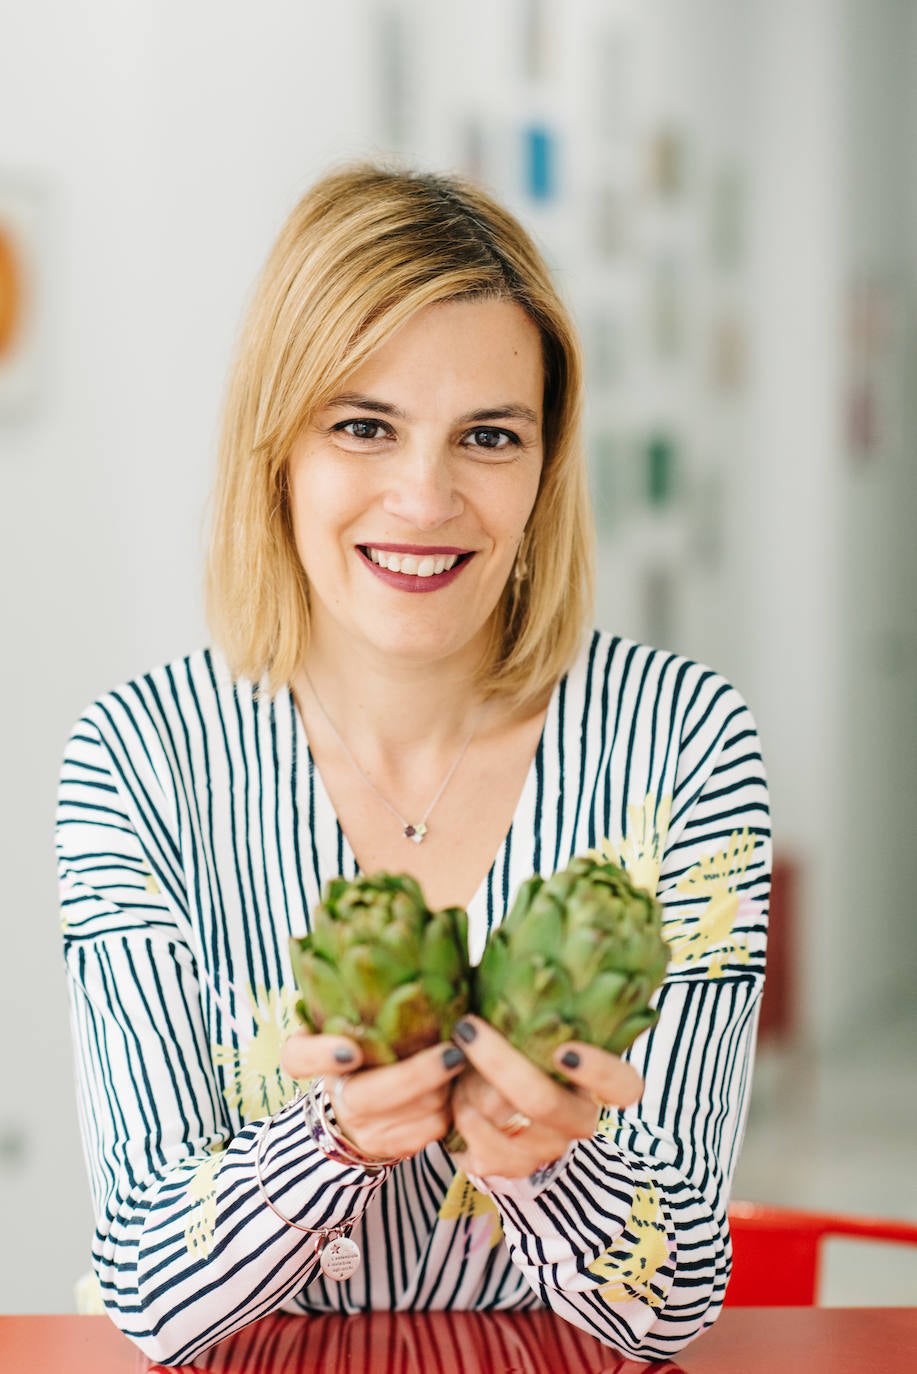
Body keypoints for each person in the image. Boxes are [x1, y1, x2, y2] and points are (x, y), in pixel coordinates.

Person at [56, 163, 771, 1367]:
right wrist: (328, 1141)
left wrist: (552, 1166)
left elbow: (678, 1291)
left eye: (488, 435)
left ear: (543, 470)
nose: (424, 495)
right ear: (275, 447)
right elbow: (147, 1288)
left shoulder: (685, 745)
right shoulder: (138, 759)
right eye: (362, 425)